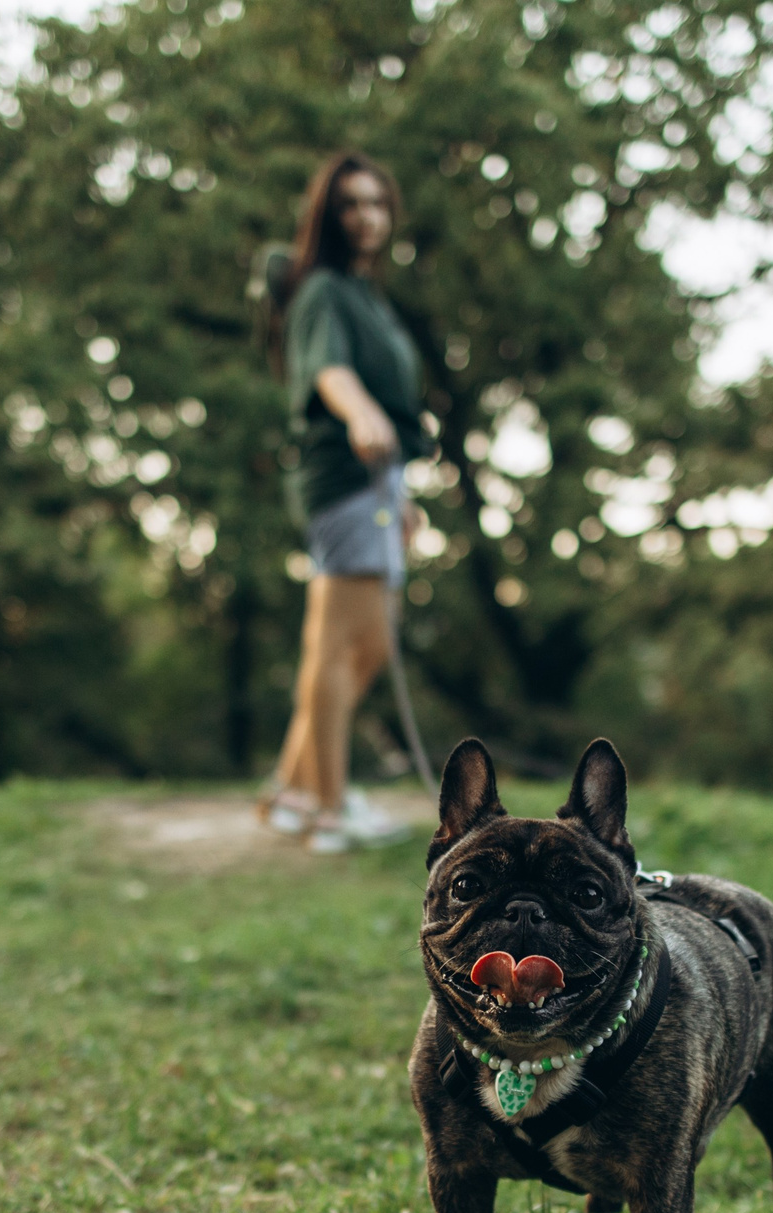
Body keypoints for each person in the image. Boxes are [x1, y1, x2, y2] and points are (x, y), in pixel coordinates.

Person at [261, 149, 433, 853]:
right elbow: (329, 369)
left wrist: (405, 493)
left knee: (365, 646)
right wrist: (360, 412)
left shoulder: (371, 297)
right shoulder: (323, 291)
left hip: (379, 483)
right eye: (352, 205)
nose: (367, 217)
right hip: (344, 478)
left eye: (377, 203)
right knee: (337, 644)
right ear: (329, 217)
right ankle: (328, 808)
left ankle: (296, 789)